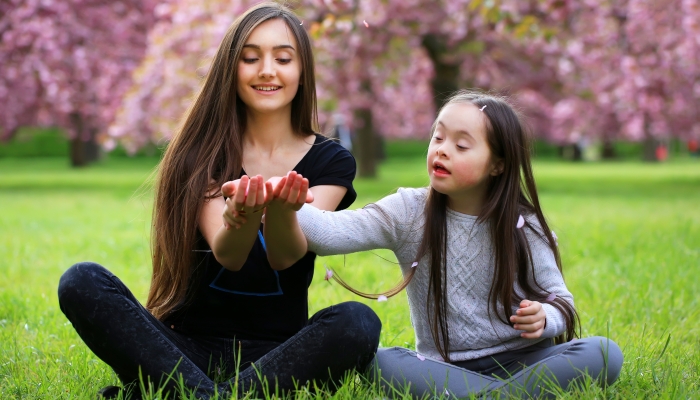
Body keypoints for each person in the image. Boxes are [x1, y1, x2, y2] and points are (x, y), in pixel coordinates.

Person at [57, 3, 380, 399]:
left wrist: (281, 209)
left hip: (280, 356)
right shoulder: (202, 151)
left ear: (302, 71)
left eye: (282, 58)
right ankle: (213, 392)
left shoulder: (331, 161)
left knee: (358, 322)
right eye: (250, 58)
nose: (266, 70)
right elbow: (229, 254)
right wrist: (241, 215)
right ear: (232, 69)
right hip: (185, 350)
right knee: (81, 280)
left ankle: (190, 395)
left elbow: (286, 256)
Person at [258, 90, 623, 398]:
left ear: (498, 164)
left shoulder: (523, 226)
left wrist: (546, 317)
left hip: (523, 359)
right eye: (438, 137)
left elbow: (562, 302)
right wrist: (277, 198)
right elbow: (327, 233)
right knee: (376, 362)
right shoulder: (409, 211)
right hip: (443, 369)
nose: (443, 150)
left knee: (604, 353)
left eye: (462, 145)